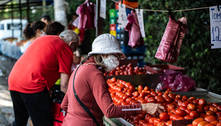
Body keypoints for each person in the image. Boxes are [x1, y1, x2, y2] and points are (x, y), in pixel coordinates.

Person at [61, 33, 164, 126]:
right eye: (116, 56)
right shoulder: (95, 74)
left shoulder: (79, 69)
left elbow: (64, 104)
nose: (118, 61)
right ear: (105, 54)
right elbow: (109, 111)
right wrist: (143, 107)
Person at [8, 30, 79, 126]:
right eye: (75, 48)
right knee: (43, 122)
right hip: (32, 85)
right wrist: (75, 103)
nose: (74, 52)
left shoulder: (44, 39)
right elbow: (64, 85)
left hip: (14, 80)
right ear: (72, 44)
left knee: (20, 121)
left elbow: (42, 63)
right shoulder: (65, 47)